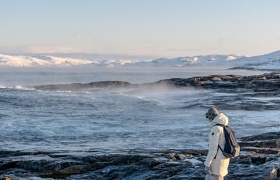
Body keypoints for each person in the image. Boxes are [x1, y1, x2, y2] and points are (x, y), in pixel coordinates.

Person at [204, 107, 230, 180]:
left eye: (208, 117)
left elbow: (213, 149)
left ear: (211, 117)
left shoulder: (216, 129)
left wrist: (207, 164)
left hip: (216, 164)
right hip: (223, 159)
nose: (208, 119)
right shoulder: (224, 127)